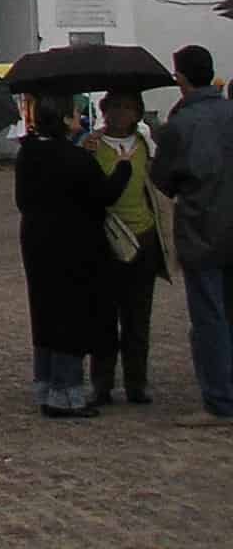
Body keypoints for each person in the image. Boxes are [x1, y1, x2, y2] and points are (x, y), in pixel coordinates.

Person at [15, 96, 132, 416]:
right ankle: (66, 393)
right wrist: (123, 167)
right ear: (65, 120)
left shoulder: (29, 154)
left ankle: (45, 383)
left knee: (44, 312)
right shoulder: (74, 158)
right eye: (77, 113)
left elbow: (22, 200)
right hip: (74, 245)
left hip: (37, 241)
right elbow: (103, 195)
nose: (81, 117)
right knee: (71, 316)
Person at [153, 42, 233, 425]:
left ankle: (220, 400)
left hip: (202, 229)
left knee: (210, 318)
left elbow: (162, 181)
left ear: (180, 78)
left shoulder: (180, 125)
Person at [87, 88, 167, 405]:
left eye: (128, 108)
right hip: (106, 237)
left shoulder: (146, 146)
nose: (120, 114)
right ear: (105, 111)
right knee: (104, 316)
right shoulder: (93, 146)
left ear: (137, 114)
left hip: (143, 235)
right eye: (114, 108)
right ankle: (102, 382)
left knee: (138, 316)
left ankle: (137, 381)